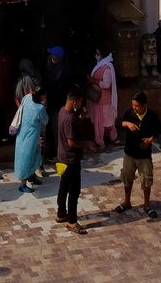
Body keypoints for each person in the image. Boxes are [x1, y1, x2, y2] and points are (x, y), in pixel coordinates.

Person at [116, 91, 161, 218]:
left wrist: (150, 140)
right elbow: (117, 122)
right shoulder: (129, 113)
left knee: (146, 180)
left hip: (144, 155)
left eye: (137, 105)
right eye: (133, 105)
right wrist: (127, 123)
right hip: (130, 152)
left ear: (144, 105)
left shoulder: (151, 116)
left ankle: (146, 205)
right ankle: (126, 202)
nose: (134, 108)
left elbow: (158, 129)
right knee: (127, 177)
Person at [54, 89, 94, 232]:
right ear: (75, 102)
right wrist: (87, 144)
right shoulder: (69, 119)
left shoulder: (63, 112)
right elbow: (71, 142)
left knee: (64, 186)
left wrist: (81, 117)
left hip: (62, 157)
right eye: (81, 103)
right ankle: (72, 221)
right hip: (71, 160)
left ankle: (61, 213)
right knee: (74, 191)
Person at [13, 86, 49, 193]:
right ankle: (23, 184)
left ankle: (31, 176)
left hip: (22, 133)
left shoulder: (27, 97)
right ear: (42, 95)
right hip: (31, 137)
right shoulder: (40, 108)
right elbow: (45, 121)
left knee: (33, 156)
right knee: (26, 159)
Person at [87, 47, 118, 151]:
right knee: (106, 121)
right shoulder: (101, 66)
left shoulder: (107, 68)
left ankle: (101, 141)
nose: (97, 56)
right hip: (99, 100)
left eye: (98, 54)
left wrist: (93, 81)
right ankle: (111, 137)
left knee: (101, 122)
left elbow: (106, 84)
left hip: (103, 100)